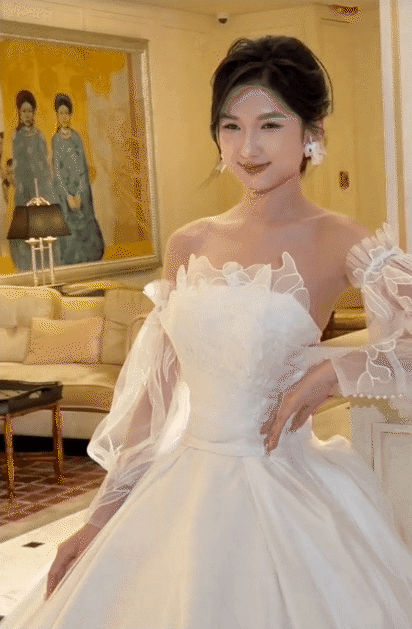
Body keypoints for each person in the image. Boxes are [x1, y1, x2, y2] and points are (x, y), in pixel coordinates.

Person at [2, 35, 412, 629]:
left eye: (270, 125)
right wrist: (98, 520)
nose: (248, 147)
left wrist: (333, 373)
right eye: (231, 127)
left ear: (311, 132)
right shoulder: (189, 242)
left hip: (287, 500)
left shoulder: (339, 239)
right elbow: (155, 400)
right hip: (183, 492)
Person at [52, 93, 104, 265]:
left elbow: (82, 167)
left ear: (70, 114)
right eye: (61, 113)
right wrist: (68, 196)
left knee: (86, 225)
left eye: (67, 113)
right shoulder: (56, 140)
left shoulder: (76, 138)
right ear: (57, 115)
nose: (64, 117)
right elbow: (58, 171)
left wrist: (80, 193)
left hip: (81, 192)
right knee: (69, 228)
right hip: (65, 194)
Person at [10, 90, 58, 271]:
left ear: (34, 113)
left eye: (30, 111)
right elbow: (17, 165)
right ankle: (29, 270)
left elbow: (45, 162)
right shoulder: (17, 137)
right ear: (19, 113)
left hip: (42, 189)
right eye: (24, 111)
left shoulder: (39, 135)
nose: (27, 115)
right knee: (25, 233)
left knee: (45, 231)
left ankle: (47, 267)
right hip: (24, 191)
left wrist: (46, 187)